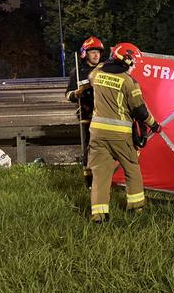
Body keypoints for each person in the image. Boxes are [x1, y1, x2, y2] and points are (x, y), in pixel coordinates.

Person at [87, 42, 161, 223]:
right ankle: (135, 208)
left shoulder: (95, 74)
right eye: (133, 62)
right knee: (132, 168)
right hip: (120, 134)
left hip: (97, 133)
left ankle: (99, 215)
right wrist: (154, 125)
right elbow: (140, 110)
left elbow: (99, 71)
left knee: (100, 174)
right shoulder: (129, 82)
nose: (133, 66)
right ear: (127, 60)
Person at [65, 36, 104, 189]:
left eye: (98, 52)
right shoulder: (77, 72)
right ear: (85, 54)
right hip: (87, 115)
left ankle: (107, 176)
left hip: (105, 115)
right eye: (93, 52)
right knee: (88, 148)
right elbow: (68, 94)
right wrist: (76, 94)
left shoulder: (105, 69)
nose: (96, 55)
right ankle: (89, 181)